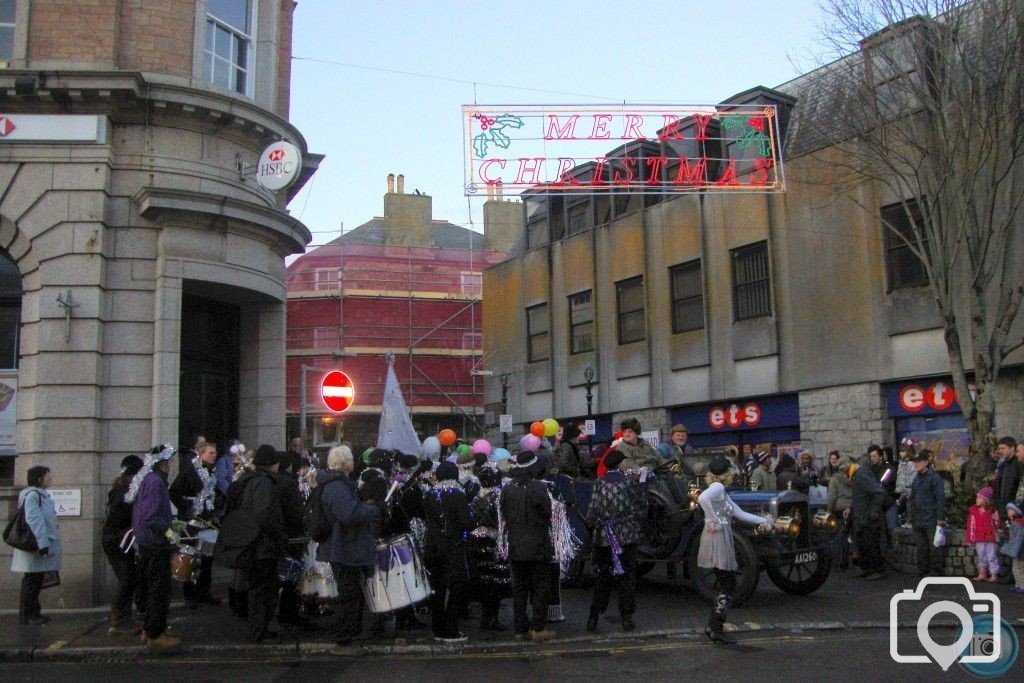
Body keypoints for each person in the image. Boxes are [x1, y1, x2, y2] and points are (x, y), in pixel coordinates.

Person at [693, 456, 769, 644]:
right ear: (726, 474)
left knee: (726, 583)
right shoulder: (718, 488)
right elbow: (702, 498)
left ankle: (714, 626)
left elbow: (739, 513)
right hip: (717, 537)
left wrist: (765, 521)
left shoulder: (721, 491)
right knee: (728, 584)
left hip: (719, 537)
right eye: (731, 472)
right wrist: (714, 519)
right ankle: (715, 627)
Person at [221, 444, 288, 643]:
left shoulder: (247, 479)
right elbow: (264, 514)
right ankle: (260, 631)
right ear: (273, 464)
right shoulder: (264, 483)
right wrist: (279, 535)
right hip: (262, 545)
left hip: (250, 542)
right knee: (262, 590)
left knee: (257, 589)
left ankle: (259, 628)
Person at [318, 445, 380, 647]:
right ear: (346, 464)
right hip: (344, 547)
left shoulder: (340, 485)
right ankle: (344, 633)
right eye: (352, 459)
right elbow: (349, 515)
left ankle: (351, 630)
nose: (354, 462)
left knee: (351, 591)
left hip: (346, 545)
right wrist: (373, 510)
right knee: (349, 593)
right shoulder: (337, 487)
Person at [586, 448, 647, 633]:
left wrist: (595, 524)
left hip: (605, 537)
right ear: (620, 464)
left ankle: (593, 617)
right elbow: (642, 506)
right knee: (627, 577)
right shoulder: (629, 483)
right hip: (627, 537)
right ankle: (626, 618)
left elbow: (592, 511)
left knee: (603, 577)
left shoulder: (599, 483)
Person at [500, 448, 556, 642]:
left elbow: (504, 515)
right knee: (540, 587)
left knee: (520, 589)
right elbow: (548, 514)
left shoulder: (507, 489)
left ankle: (520, 629)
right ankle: (538, 628)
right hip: (538, 546)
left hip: (516, 546)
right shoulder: (539, 488)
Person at [127, 445, 180, 651]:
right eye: (170, 462)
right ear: (164, 463)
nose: (171, 465)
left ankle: (150, 630)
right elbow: (150, 516)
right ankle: (155, 633)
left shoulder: (149, 479)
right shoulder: (156, 482)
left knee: (153, 588)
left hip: (148, 542)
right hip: (154, 543)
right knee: (159, 590)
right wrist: (168, 531)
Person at [422, 461, 473, 642]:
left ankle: (438, 628)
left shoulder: (430, 494)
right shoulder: (458, 494)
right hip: (452, 545)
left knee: (437, 588)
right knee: (457, 586)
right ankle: (451, 629)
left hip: (432, 546)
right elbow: (466, 522)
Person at [169, 440, 222, 609]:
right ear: (200, 454)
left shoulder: (212, 471)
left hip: (207, 520)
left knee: (207, 558)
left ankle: (204, 591)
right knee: (192, 557)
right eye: (210, 453)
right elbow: (174, 492)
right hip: (193, 521)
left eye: (215, 453)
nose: (214, 456)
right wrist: (187, 509)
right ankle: (190, 594)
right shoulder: (190, 471)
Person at [11, 466, 62, 626]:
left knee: (36, 580)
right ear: (40, 478)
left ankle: (34, 612)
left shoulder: (41, 495)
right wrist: (43, 544)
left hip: (39, 545)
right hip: (35, 546)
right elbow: (35, 521)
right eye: (48, 476)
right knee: (32, 581)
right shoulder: (33, 495)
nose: (50, 479)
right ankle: (28, 615)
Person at [102, 455, 144, 636]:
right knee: (127, 580)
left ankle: (123, 618)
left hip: (114, 539)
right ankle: (118, 620)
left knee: (128, 579)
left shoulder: (120, 488)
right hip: (118, 541)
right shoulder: (127, 490)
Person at [468, 466, 511, 632]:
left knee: (483, 582)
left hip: (477, 543)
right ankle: (492, 618)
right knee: (496, 582)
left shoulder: (475, 497)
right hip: (493, 542)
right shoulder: (498, 497)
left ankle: (487, 617)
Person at [909, 449, 946, 577]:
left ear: (926, 462)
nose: (916, 464)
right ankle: (923, 569)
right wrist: (911, 516)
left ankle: (936, 570)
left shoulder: (934, 478)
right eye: (915, 462)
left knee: (934, 546)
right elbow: (912, 498)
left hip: (931, 517)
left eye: (918, 462)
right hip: (918, 518)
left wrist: (940, 518)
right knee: (921, 546)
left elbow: (940, 498)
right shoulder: (916, 479)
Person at [848, 458, 886, 580]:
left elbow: (878, 492)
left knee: (871, 544)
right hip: (862, 516)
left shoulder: (861, 476)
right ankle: (868, 569)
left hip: (867, 516)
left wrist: (874, 510)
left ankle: (876, 570)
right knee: (864, 544)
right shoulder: (860, 475)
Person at [966, 486, 1000, 582]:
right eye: (977, 497)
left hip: (990, 537)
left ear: (986, 500)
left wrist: (996, 519)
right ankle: (982, 573)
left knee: (991, 555)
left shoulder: (992, 512)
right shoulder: (973, 512)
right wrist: (970, 539)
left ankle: (994, 573)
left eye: (979, 497)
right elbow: (971, 527)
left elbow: (997, 525)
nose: (977, 499)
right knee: (981, 556)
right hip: (979, 537)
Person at [994, 437, 1021, 522]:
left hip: (1015, 511)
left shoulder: (1019, 465)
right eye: (999, 448)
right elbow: (998, 488)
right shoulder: (1002, 466)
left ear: (1012, 448)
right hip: (1002, 511)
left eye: (1003, 448)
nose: (1000, 451)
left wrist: (1016, 507)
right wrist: (997, 509)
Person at [1003, 503, 1024, 593]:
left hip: (1020, 550)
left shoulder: (1019, 524)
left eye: (1010, 510)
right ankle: (1018, 584)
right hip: (1016, 550)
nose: (1008, 512)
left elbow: (1018, 538)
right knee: (1015, 568)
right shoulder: (1015, 523)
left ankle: (1022, 586)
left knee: (1020, 568)